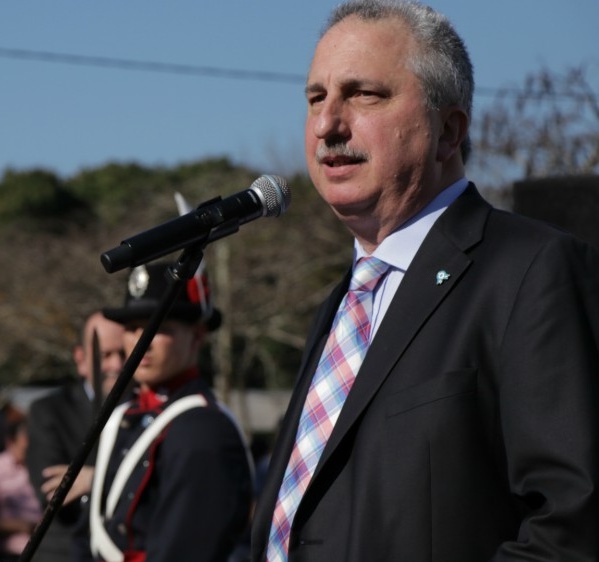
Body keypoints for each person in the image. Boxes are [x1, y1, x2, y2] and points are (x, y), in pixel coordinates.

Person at [249, 1, 599, 560]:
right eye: (316, 98)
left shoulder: (533, 271)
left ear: (448, 130)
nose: (326, 125)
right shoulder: (343, 302)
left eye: (364, 94)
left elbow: (573, 526)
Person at [90, 262, 253, 562]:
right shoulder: (124, 417)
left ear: (196, 338)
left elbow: (185, 548)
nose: (141, 341)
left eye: (160, 329)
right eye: (132, 328)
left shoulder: (204, 428)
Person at [25, 310, 127, 562]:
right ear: (81, 359)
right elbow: (53, 492)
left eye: (124, 353)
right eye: (105, 355)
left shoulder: (144, 411)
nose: (116, 365)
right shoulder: (49, 411)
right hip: (66, 553)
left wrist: (94, 478)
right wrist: (124, 480)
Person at [0, 411, 43, 562]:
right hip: (9, 554)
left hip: (43, 551)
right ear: (10, 442)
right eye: (25, 446)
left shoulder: (39, 465)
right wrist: (23, 526)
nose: (30, 451)